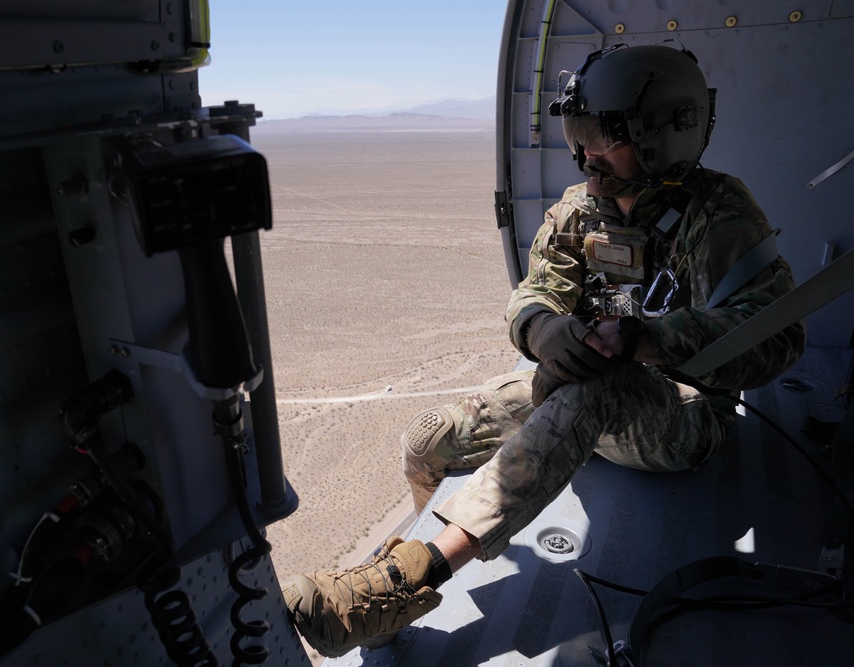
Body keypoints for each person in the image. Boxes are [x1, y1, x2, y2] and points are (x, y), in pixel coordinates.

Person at [280, 43, 806, 658]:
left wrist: (653, 340)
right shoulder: (580, 211)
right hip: (581, 391)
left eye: (598, 135)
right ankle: (445, 549)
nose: (582, 153)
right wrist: (543, 331)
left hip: (685, 415)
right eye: (574, 131)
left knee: (598, 389)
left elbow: (776, 334)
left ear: (664, 136)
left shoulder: (721, 214)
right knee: (428, 441)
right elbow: (537, 291)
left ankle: (408, 579)